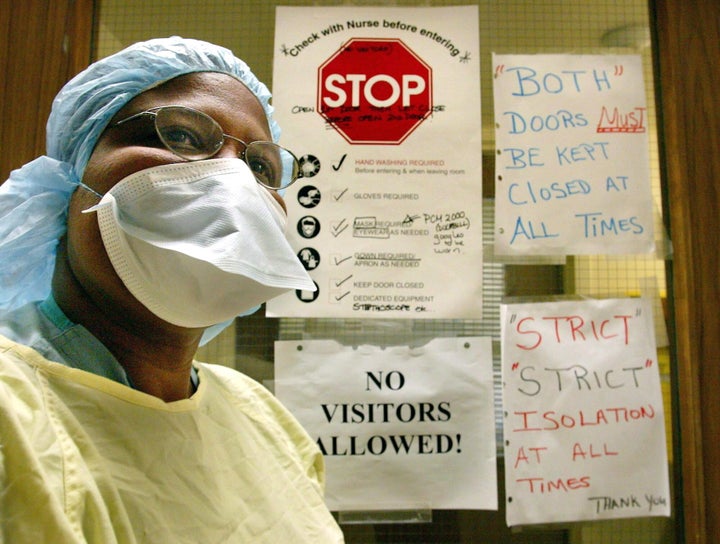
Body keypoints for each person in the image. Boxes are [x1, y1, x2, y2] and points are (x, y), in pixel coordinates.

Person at [0, 37, 344, 543]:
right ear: (71, 178)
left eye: (260, 168)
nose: (232, 182)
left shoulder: (262, 417)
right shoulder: (13, 412)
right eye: (181, 135)